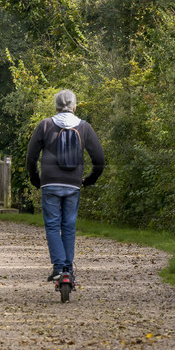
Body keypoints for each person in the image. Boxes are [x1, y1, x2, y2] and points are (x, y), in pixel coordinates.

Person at [24, 89, 105, 283]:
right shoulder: (84, 127)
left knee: (52, 226)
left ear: (56, 107)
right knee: (69, 226)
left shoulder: (45, 125)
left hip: (50, 183)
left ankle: (59, 268)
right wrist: (89, 180)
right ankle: (68, 270)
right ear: (75, 107)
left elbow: (31, 158)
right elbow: (99, 160)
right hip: (73, 185)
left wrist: (36, 179)